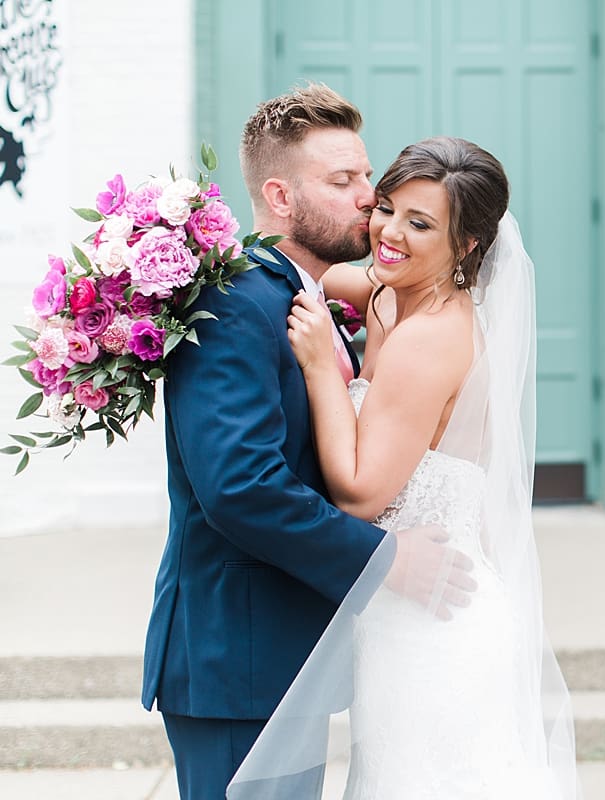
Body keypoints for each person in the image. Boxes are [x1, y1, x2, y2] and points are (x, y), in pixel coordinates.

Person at [141, 85, 476, 800]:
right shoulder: (234, 304)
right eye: (342, 181)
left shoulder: (311, 295)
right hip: (236, 659)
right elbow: (241, 486)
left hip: (286, 652)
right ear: (281, 198)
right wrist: (386, 561)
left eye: (366, 175)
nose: (368, 197)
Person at [227, 137, 579, 798]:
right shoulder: (388, 293)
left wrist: (317, 367)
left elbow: (360, 495)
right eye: (386, 208)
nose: (388, 233)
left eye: (420, 224)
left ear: (469, 245)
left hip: (439, 624)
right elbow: (306, 270)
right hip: (395, 614)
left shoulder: (432, 337)